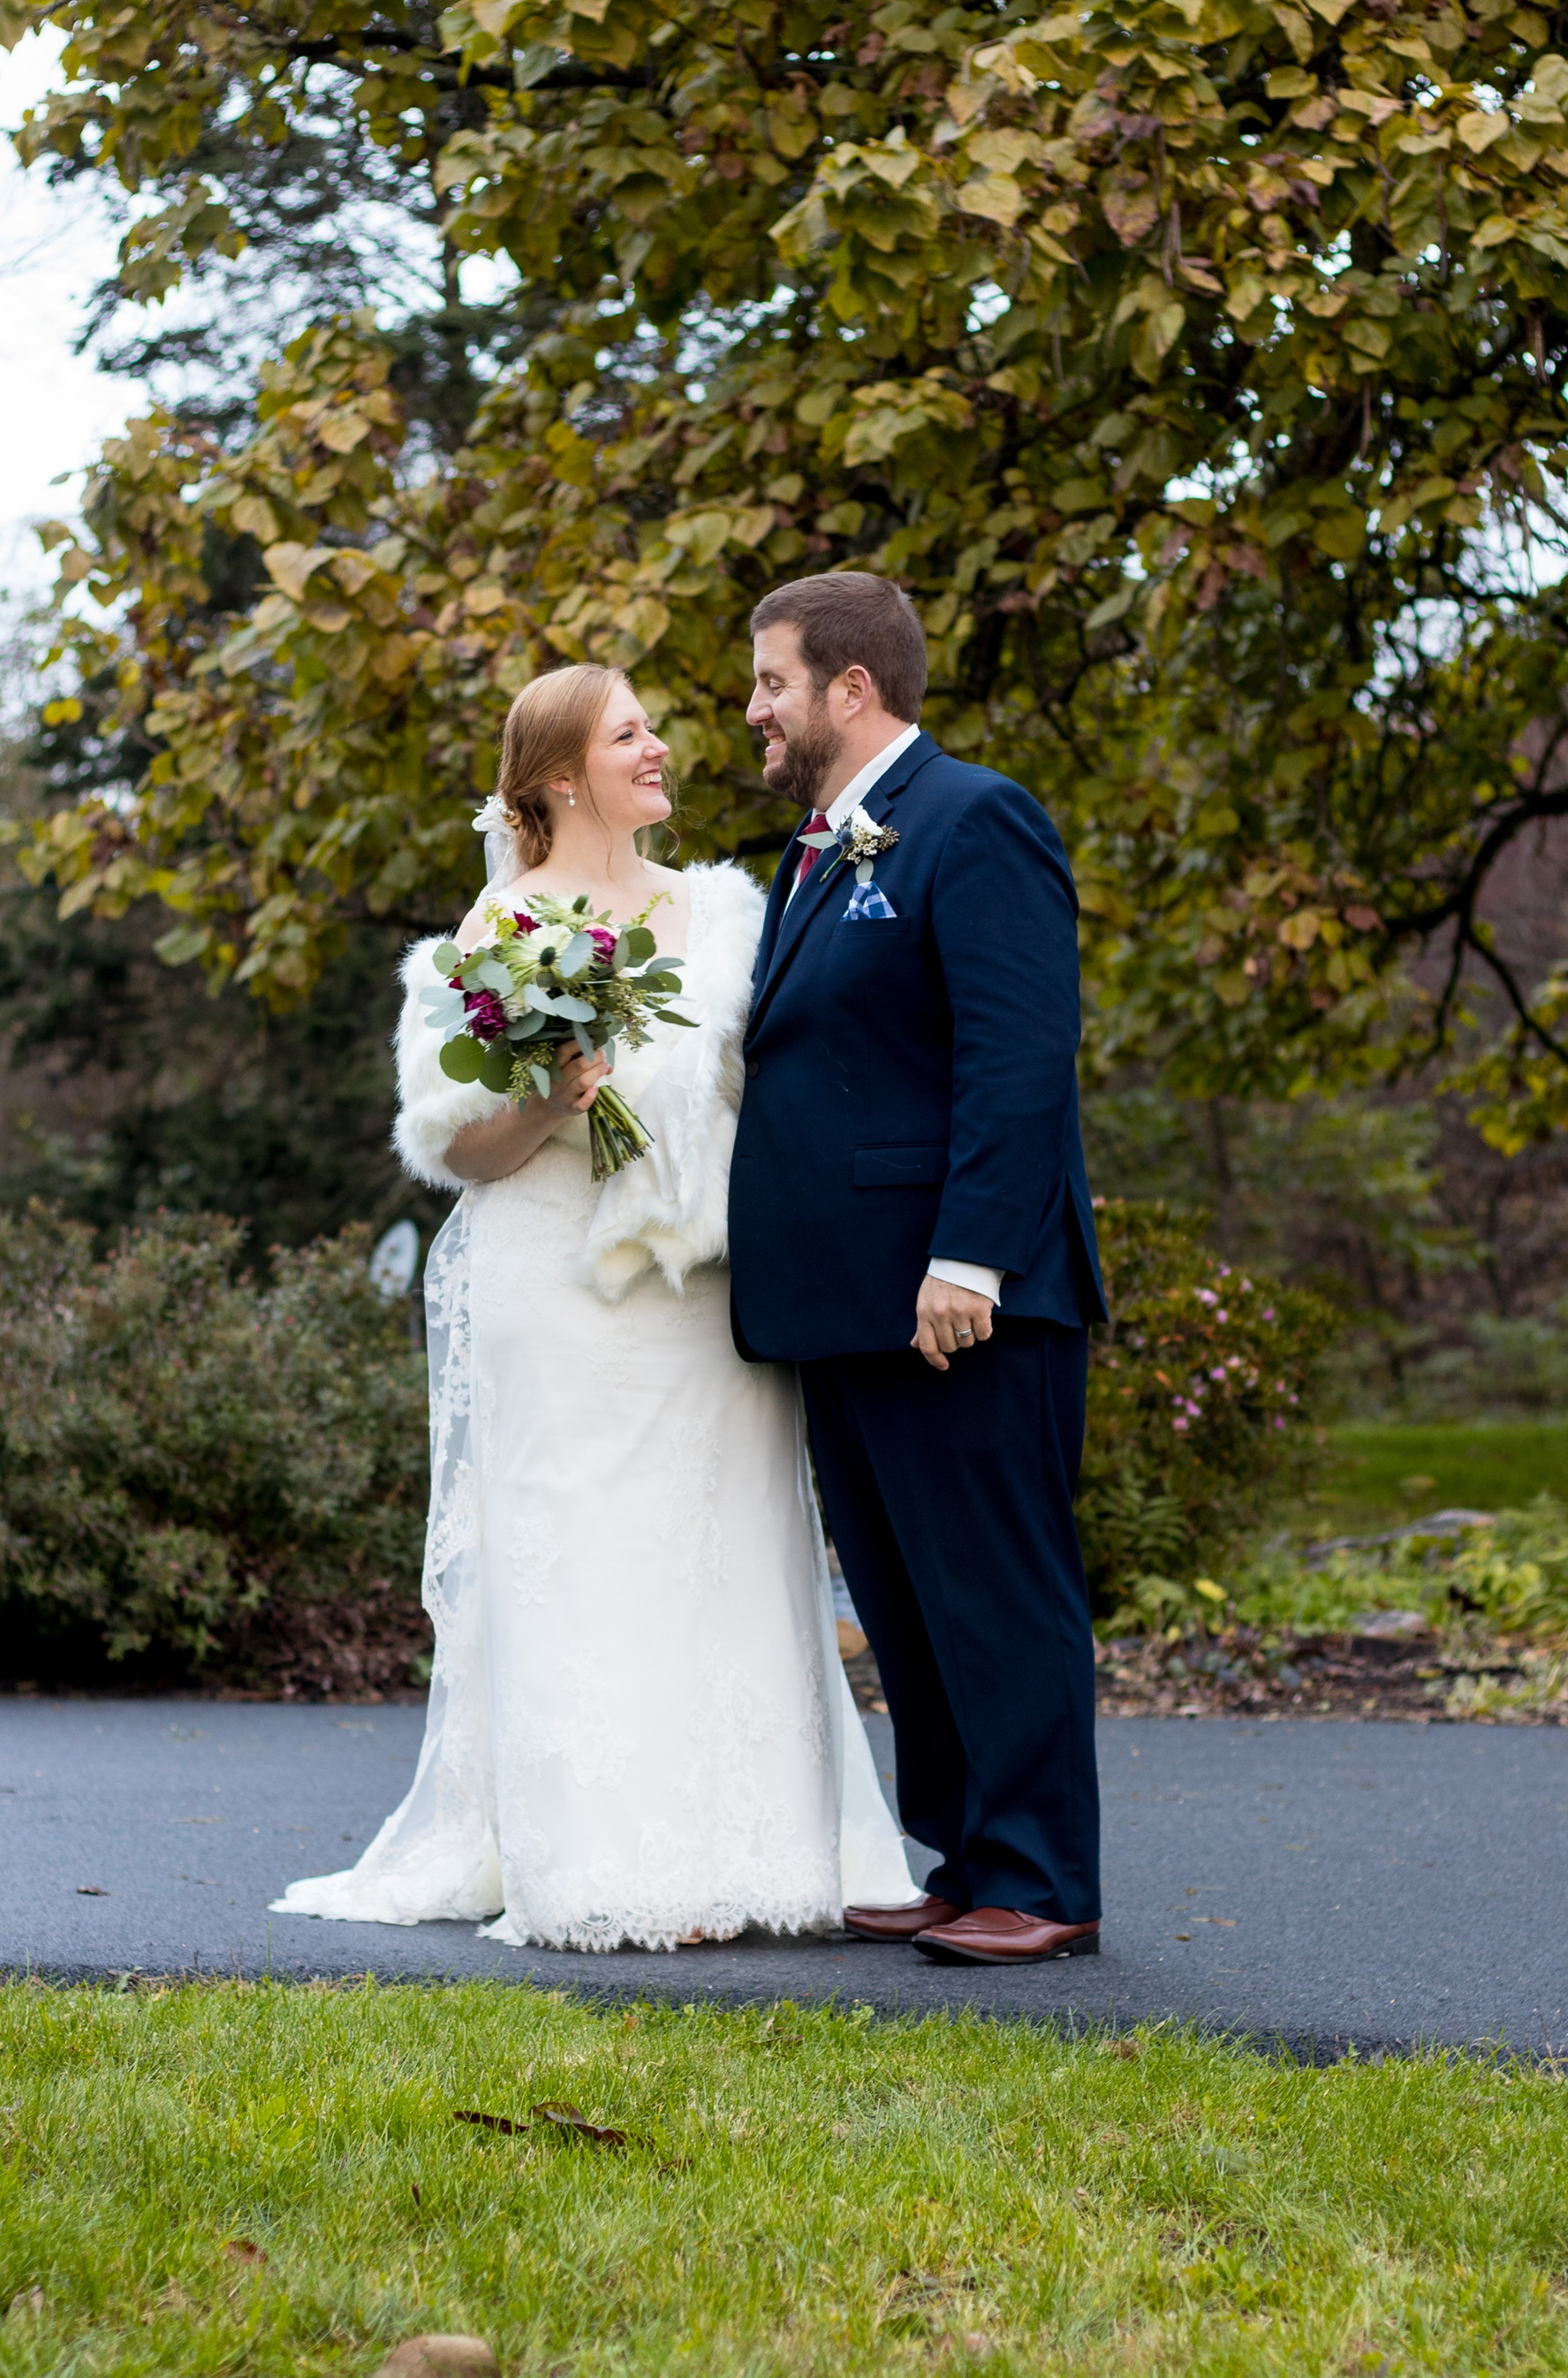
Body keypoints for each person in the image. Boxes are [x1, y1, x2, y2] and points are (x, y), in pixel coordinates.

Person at [273, 663, 913, 1950]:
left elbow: (765, 1097)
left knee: (729, 1542)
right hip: (555, 1287)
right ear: (564, 776)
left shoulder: (728, 913)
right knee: (585, 1552)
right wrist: (546, 1098)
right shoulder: (492, 938)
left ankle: (772, 1852)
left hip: (704, 1288)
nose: (662, 746)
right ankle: (605, 1861)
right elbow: (450, 1148)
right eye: (632, 733)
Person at [727, 572, 1109, 1967]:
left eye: (772, 683)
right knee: (904, 1599)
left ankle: (1045, 1878)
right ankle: (963, 1859)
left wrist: (972, 1259)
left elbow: (1018, 1057)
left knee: (997, 1587)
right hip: (850, 1303)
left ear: (851, 688)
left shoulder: (976, 818)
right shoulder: (818, 850)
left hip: (961, 1301)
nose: (754, 710)